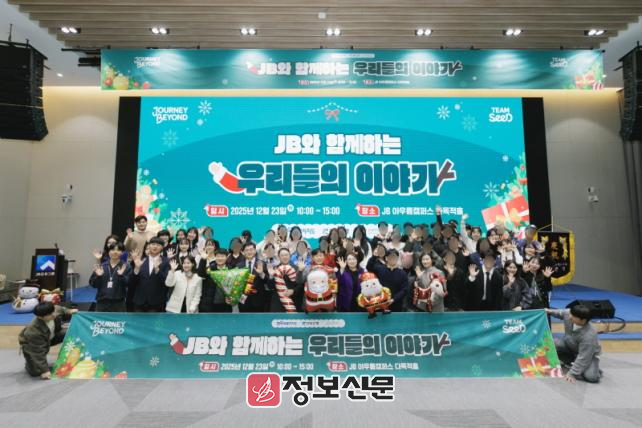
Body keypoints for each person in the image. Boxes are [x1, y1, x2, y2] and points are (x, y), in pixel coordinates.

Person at [18, 302, 78, 379]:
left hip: (51, 336)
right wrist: (45, 370)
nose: (53, 315)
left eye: (53, 312)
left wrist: (69, 311)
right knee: (36, 372)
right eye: (49, 314)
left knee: (70, 332)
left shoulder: (54, 309)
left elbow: (62, 309)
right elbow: (38, 353)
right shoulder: (33, 331)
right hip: (33, 345)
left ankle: (76, 354)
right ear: (40, 317)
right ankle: (30, 362)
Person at [546, 305, 602, 383]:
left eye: (573, 316)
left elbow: (584, 356)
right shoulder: (570, 314)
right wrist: (549, 311)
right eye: (571, 314)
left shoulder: (589, 335)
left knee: (591, 377)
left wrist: (572, 373)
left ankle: (593, 367)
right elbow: (561, 313)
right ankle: (573, 362)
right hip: (569, 345)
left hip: (588, 355)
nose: (570, 317)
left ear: (583, 320)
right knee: (551, 344)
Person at [89, 241, 131, 312]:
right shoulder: (102, 266)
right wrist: (99, 276)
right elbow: (93, 284)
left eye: (118, 250)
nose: (115, 252)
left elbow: (129, 283)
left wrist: (121, 276)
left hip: (119, 303)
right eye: (112, 249)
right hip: (102, 302)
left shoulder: (126, 267)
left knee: (119, 319)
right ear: (108, 252)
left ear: (122, 252)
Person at [131, 237, 169, 312]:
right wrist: (137, 269)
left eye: (158, 245)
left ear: (162, 247)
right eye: (153, 244)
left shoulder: (166, 261)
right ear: (149, 245)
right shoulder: (141, 260)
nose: (155, 247)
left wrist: (157, 270)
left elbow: (166, 282)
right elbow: (132, 282)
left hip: (156, 302)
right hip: (139, 301)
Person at [366, 248, 408, 312]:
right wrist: (374, 256)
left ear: (397, 258)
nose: (392, 259)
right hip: (380, 304)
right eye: (390, 257)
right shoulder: (380, 269)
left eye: (394, 257)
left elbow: (404, 290)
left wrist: (393, 299)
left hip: (396, 305)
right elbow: (369, 267)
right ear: (386, 258)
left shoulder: (402, 273)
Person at [267, 248, 304, 312]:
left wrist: (293, 291)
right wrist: (271, 276)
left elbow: (301, 285)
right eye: (282, 255)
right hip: (278, 303)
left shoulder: (298, 268)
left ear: (290, 255)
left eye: (286, 255)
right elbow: (270, 287)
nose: (284, 257)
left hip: (293, 301)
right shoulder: (274, 269)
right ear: (279, 257)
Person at [240, 242, 271, 313]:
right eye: (247, 250)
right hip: (243, 299)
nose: (249, 252)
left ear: (255, 251)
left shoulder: (262, 264)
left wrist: (261, 274)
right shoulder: (239, 265)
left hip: (259, 299)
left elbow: (268, 281)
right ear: (243, 252)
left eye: (251, 249)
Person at [198, 248, 232, 313]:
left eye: (222, 256)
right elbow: (200, 274)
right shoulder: (210, 268)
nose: (220, 258)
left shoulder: (231, 270)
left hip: (225, 305)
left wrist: (231, 298)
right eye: (218, 256)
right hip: (210, 304)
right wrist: (203, 260)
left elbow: (234, 287)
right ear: (215, 257)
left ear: (226, 257)